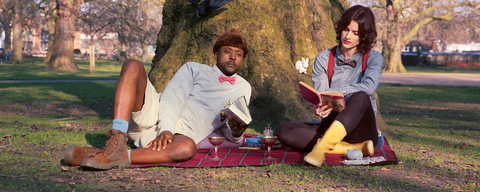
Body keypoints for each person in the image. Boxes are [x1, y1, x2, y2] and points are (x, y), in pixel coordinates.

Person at [64, 29, 252, 170]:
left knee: (187, 148)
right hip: (155, 113)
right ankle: (117, 137)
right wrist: (166, 129)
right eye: (228, 51)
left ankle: (112, 154)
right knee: (132, 65)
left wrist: (237, 133)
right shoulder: (194, 69)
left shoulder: (243, 88)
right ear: (216, 52)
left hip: (180, 136)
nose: (233, 57)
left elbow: (228, 130)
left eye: (239, 54)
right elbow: (172, 98)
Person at [276, 5, 383, 167]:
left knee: (361, 96)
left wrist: (337, 92)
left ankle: (321, 149)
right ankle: (353, 148)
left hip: (361, 129)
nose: (348, 36)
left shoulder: (374, 58)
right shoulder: (324, 58)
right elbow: (322, 94)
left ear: (364, 36)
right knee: (284, 131)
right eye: (346, 29)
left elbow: (368, 87)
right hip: (332, 125)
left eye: (355, 33)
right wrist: (320, 107)